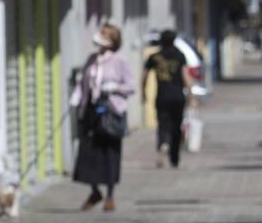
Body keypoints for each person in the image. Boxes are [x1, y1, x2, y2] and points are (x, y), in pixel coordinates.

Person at [70, 23, 135, 211]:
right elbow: (83, 81)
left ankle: (110, 195)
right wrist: (77, 95)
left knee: (109, 154)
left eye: (104, 34)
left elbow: (131, 86)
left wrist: (115, 88)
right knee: (88, 152)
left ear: (113, 40)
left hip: (110, 112)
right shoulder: (92, 58)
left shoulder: (119, 60)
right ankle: (94, 191)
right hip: (90, 111)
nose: (100, 37)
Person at [142, 30, 189, 168]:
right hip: (178, 96)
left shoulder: (155, 56)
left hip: (162, 96)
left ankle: (163, 143)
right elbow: (186, 76)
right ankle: (174, 159)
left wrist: (143, 92)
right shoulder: (179, 55)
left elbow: (144, 76)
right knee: (176, 127)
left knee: (162, 125)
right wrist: (191, 94)